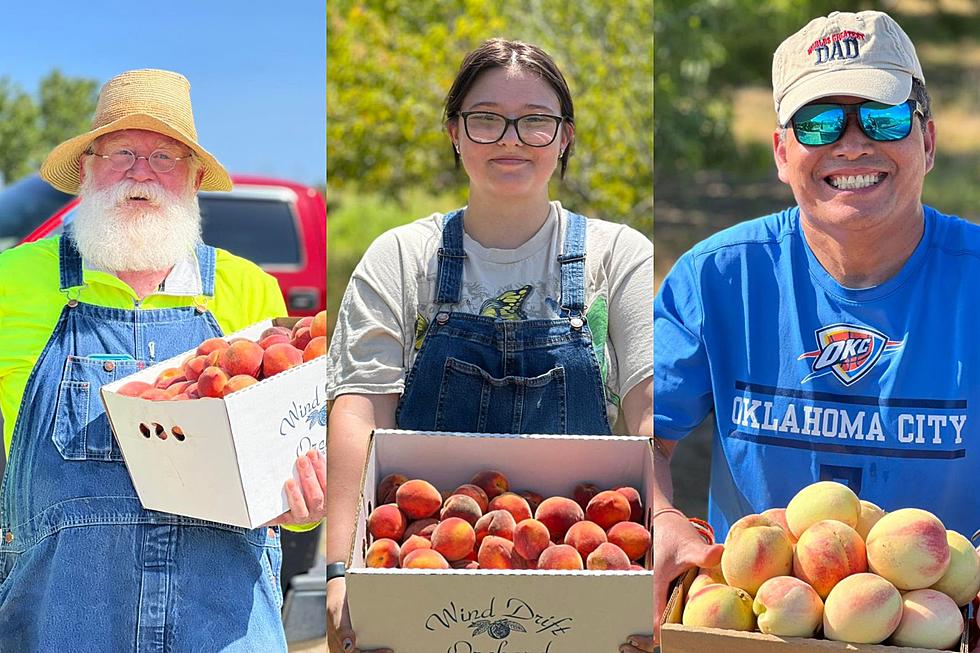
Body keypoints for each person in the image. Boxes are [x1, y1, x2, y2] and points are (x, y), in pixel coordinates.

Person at [654, 9, 980, 645]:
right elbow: (642, 439)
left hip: (943, 627)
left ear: (929, 142)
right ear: (782, 152)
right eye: (819, 121)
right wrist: (662, 516)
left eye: (883, 118)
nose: (852, 143)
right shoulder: (717, 279)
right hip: (753, 627)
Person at [326, 39, 654, 653]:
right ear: (455, 132)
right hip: (424, 583)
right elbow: (359, 412)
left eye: (535, 120)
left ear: (564, 138)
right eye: (486, 119)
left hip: (579, 586)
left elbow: (648, 403)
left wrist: (658, 548)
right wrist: (342, 569)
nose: (511, 138)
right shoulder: (402, 258)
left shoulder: (618, 256)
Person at [0, 69, 326, 651]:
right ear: (86, 170)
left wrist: (304, 503)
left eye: (166, 158)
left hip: (224, 628)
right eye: (121, 152)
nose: (140, 174)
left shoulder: (248, 290)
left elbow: (290, 467)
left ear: (195, 179)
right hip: (60, 626)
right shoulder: (13, 281)